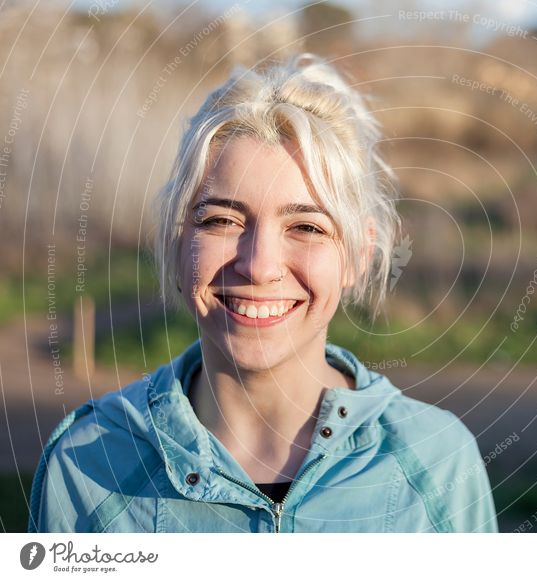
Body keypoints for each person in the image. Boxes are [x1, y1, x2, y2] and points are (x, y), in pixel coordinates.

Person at [28, 53, 498, 533]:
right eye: (222, 220)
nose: (259, 265)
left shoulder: (437, 465)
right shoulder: (88, 465)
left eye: (306, 227)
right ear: (177, 239)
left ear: (359, 253)